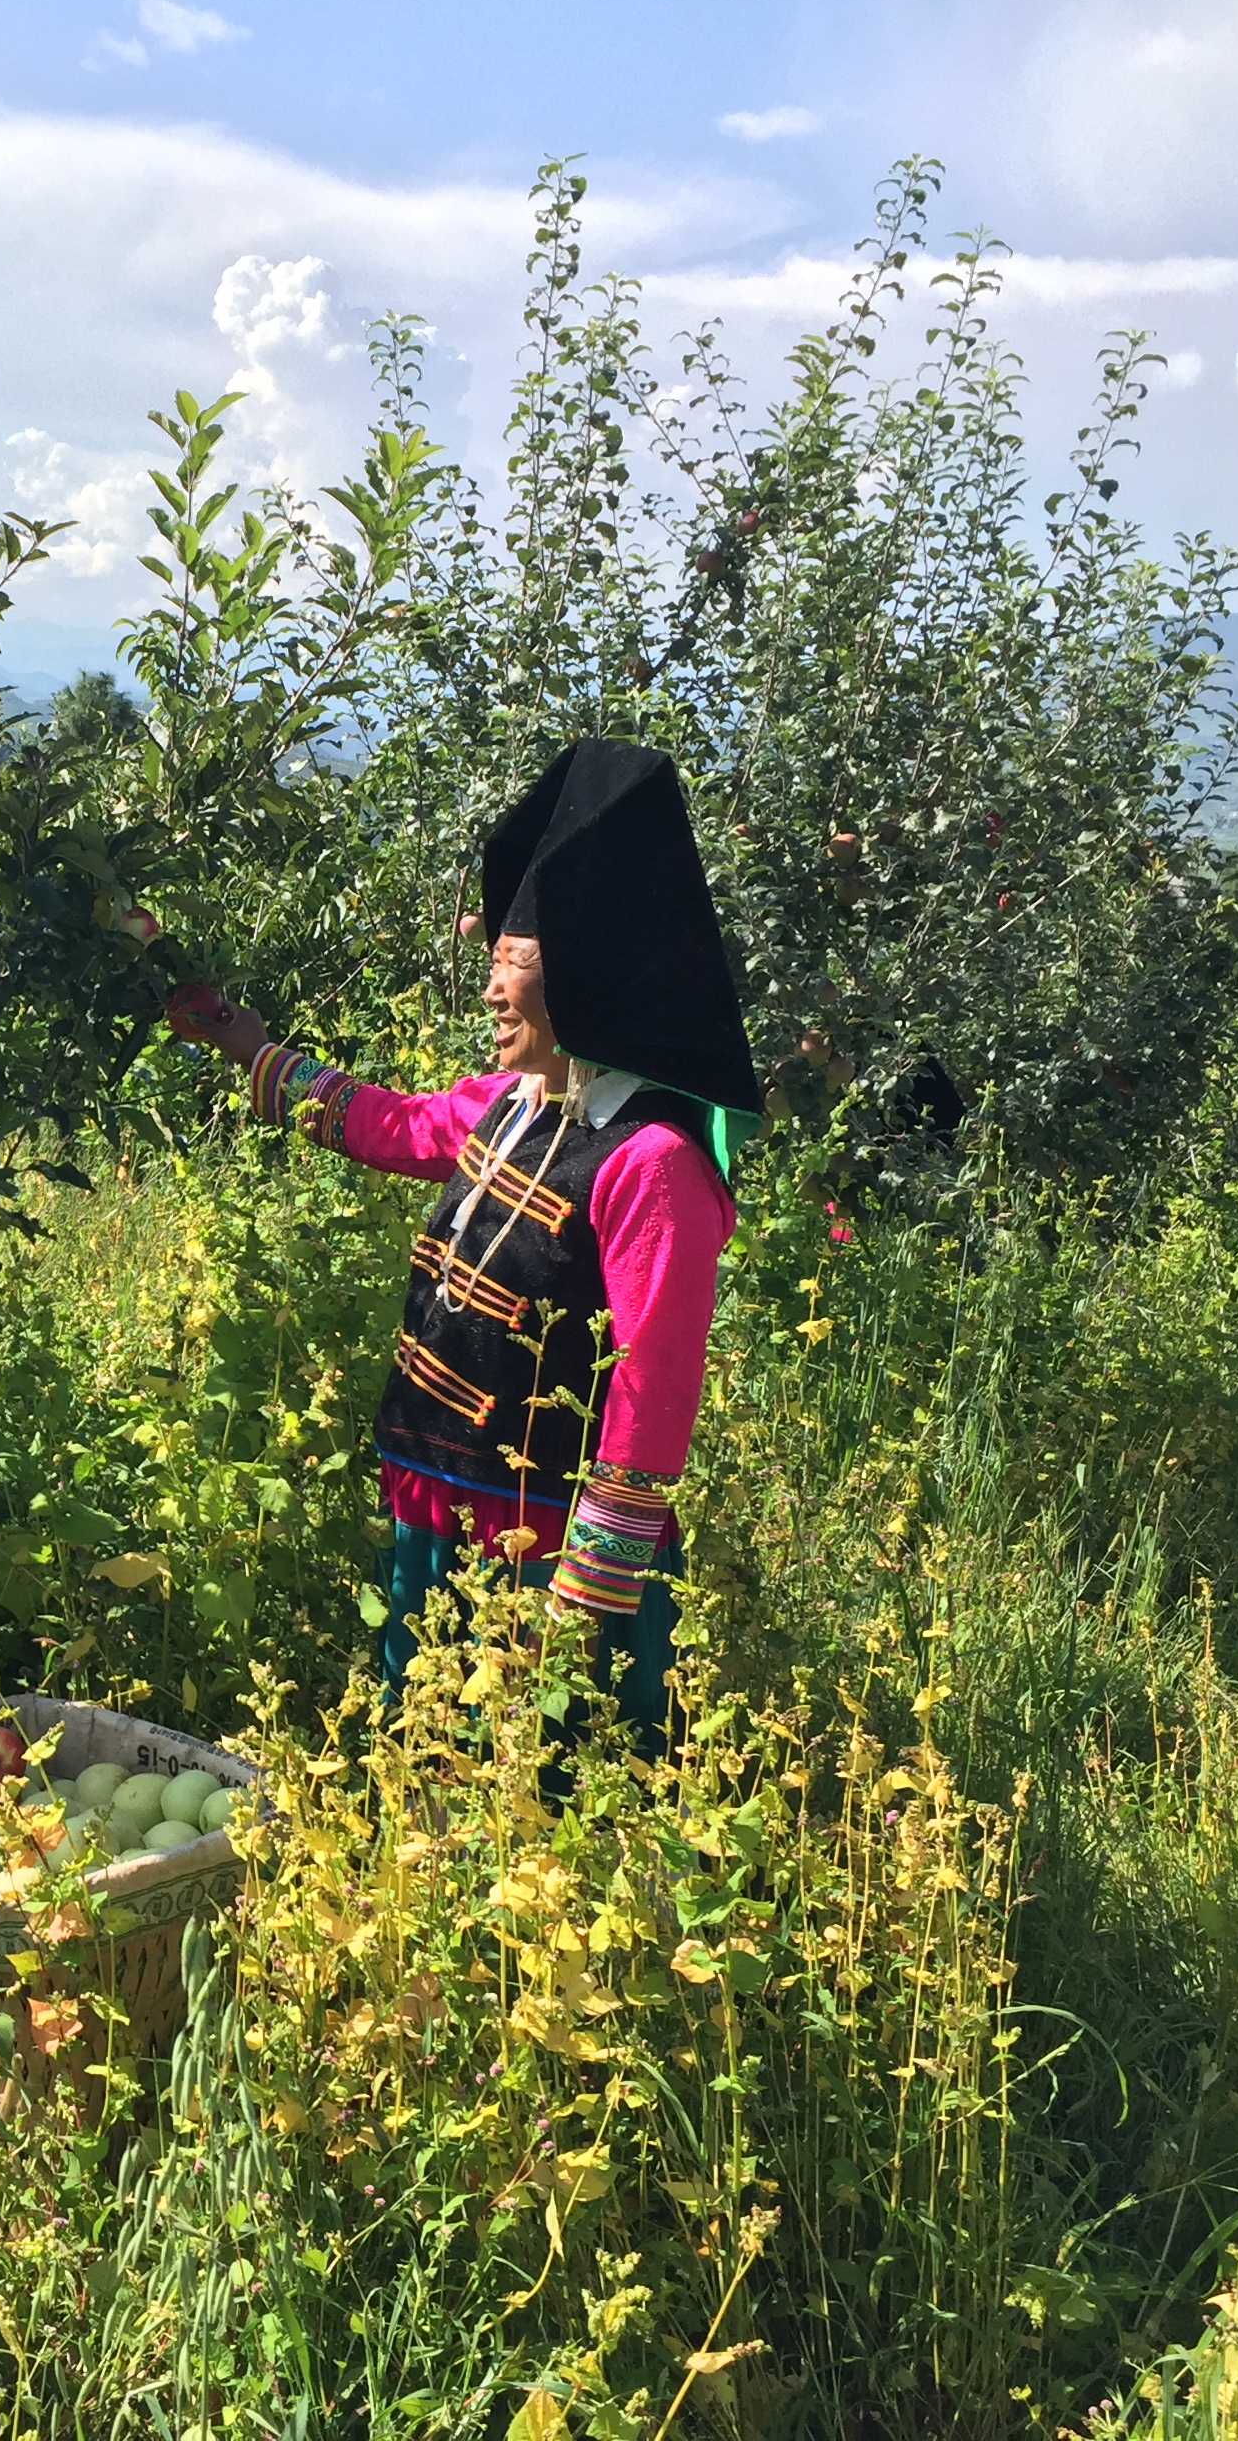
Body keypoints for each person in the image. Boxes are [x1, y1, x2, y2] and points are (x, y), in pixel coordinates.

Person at [169, 740, 761, 1751]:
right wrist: (247, 1048)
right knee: (432, 1747)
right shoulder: (513, 1105)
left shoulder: (649, 1162)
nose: (490, 991)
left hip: (550, 1543)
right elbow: (388, 1124)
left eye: (511, 965)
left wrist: (590, 1590)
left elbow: (654, 1387)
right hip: (438, 1501)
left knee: (557, 1772)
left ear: (587, 977)